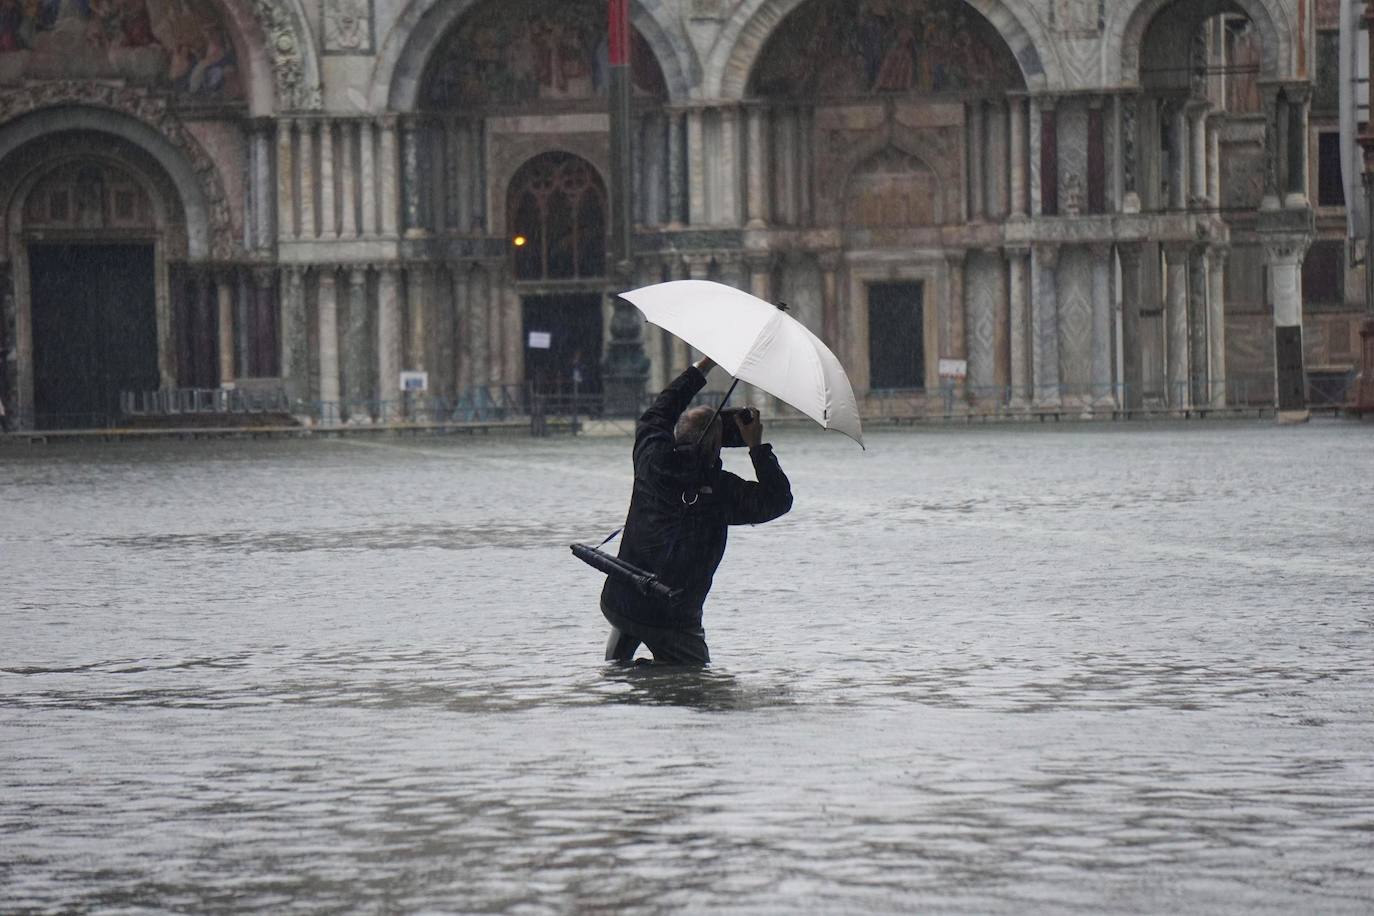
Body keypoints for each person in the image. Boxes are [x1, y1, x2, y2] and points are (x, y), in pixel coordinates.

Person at [600, 355, 793, 666]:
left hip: (622, 599)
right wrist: (756, 446)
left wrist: (703, 366)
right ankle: (648, 680)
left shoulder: (651, 459)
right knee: (695, 683)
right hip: (674, 618)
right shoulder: (724, 491)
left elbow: (660, 411)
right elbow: (778, 499)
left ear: (678, 432)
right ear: (720, 447)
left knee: (620, 659)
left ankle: (626, 678)